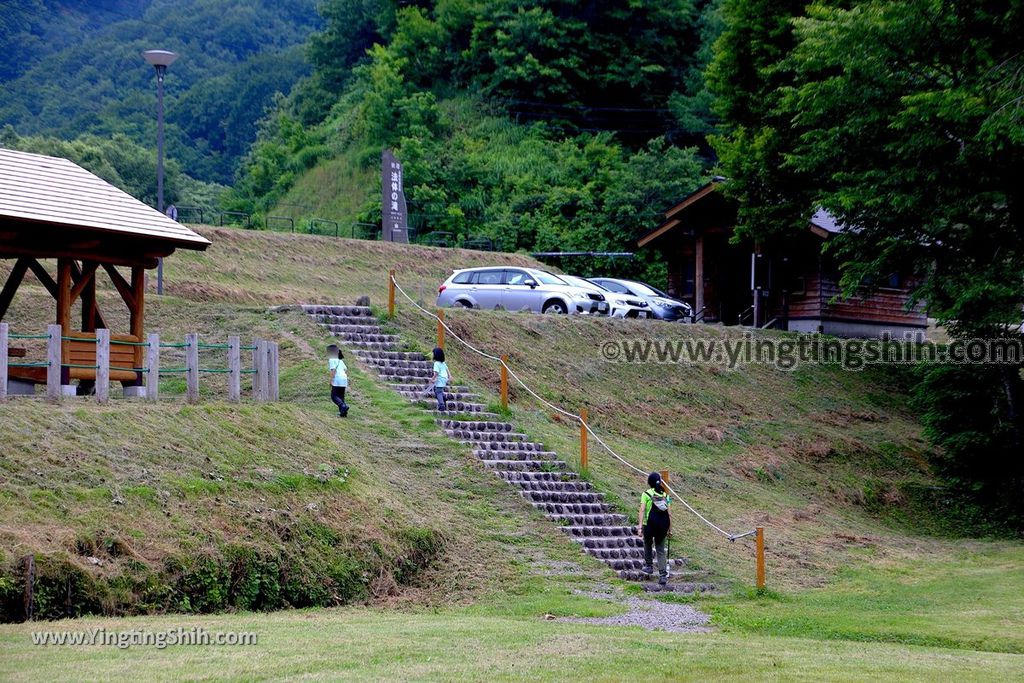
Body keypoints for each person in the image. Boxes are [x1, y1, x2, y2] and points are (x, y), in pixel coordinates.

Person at [637, 471, 672, 585]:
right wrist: (670, 529)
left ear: (649, 482)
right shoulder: (666, 495)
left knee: (647, 543)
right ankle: (662, 576)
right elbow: (669, 514)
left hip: (649, 524)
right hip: (663, 526)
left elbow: (642, 510)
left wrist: (640, 527)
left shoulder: (646, 494)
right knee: (660, 550)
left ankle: (649, 566)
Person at [327, 344, 349, 417]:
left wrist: (331, 381)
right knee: (341, 396)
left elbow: (333, 371)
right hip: (344, 378)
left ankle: (343, 406)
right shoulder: (340, 360)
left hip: (337, 378)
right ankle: (343, 413)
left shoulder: (331, 360)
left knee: (334, 396)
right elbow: (345, 369)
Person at [430, 347, 451, 412]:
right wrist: (450, 376)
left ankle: (441, 405)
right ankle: (444, 397)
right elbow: (447, 369)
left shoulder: (436, 363)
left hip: (440, 379)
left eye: (433, 354)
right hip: (444, 378)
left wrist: (432, 379)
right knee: (438, 390)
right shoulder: (443, 363)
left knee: (438, 392)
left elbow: (436, 373)